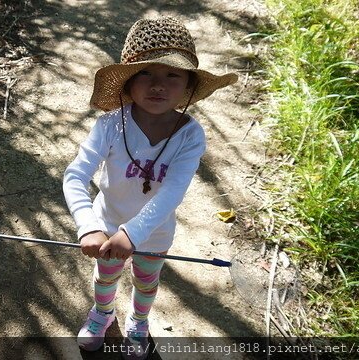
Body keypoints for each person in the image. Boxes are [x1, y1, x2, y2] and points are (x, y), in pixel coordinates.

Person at [63, 17, 237, 359]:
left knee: (146, 281)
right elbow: (75, 175)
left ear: (188, 84)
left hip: (154, 235)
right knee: (105, 275)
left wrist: (134, 234)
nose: (159, 85)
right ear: (127, 83)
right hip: (106, 224)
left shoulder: (190, 135)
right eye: (146, 73)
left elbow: (173, 191)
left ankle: (139, 322)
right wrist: (88, 225)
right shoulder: (110, 125)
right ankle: (102, 312)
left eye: (173, 75)